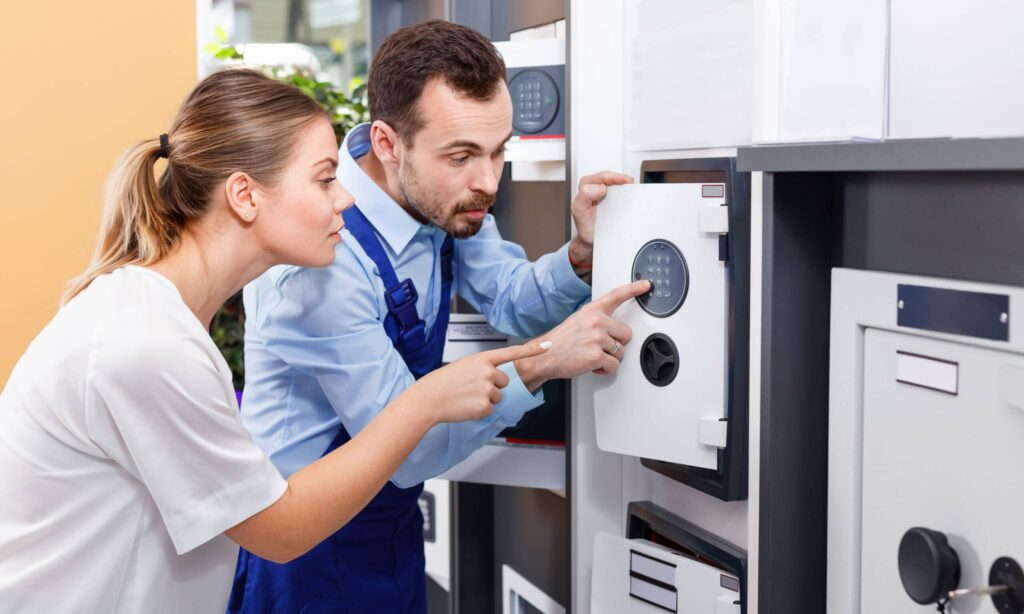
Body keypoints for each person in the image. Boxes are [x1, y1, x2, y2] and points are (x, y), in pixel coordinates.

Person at [0, 68, 585, 613]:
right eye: (326, 178)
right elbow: (279, 530)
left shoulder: (161, 321)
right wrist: (432, 398)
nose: (346, 198)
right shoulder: (146, 347)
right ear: (245, 196)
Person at [231, 20, 649, 613]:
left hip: (388, 527)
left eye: (499, 151)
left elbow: (508, 296)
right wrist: (546, 362)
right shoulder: (322, 263)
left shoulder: (444, 195)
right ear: (387, 144)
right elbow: (409, 452)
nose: (487, 181)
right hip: (307, 552)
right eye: (462, 156)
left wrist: (580, 257)